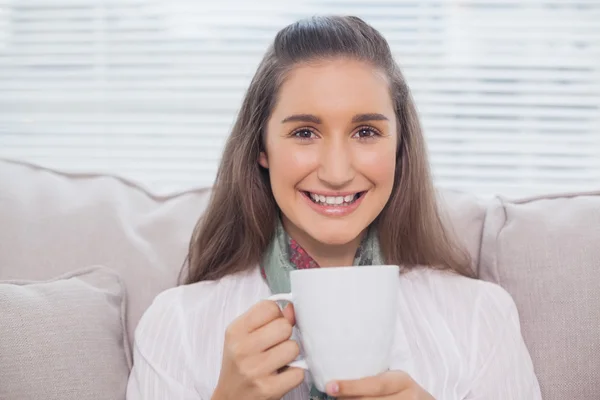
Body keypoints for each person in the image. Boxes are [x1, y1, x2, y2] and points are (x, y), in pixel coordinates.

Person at [126, 15, 541, 400]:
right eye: (305, 132)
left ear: (399, 149)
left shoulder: (480, 317)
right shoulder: (176, 324)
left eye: (366, 131)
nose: (338, 172)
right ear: (261, 148)